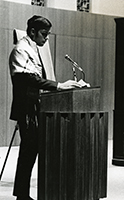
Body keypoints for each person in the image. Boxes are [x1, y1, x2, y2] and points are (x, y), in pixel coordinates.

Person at [9, 15, 81, 200]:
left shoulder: (32, 47)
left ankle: (22, 195)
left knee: (32, 150)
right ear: (32, 31)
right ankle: (21, 196)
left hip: (36, 106)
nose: (46, 38)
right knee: (28, 151)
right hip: (26, 108)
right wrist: (58, 85)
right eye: (43, 34)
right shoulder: (21, 49)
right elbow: (27, 78)